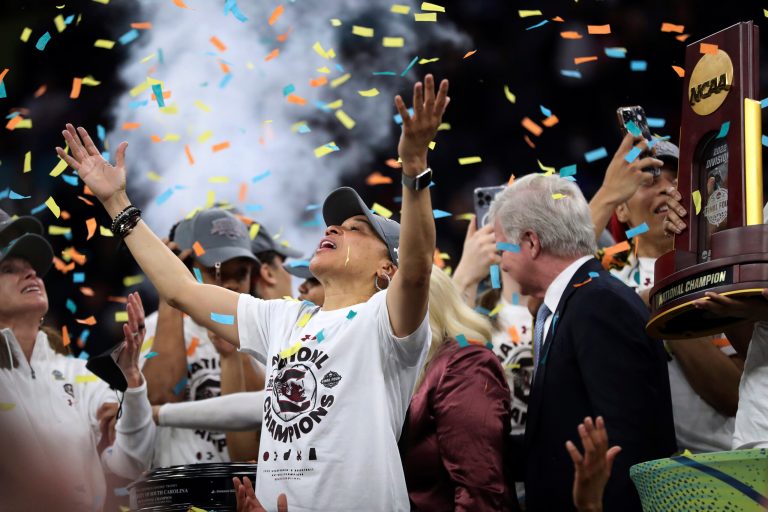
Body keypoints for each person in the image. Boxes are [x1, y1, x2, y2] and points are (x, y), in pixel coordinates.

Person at [57, 73, 448, 511]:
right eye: (335, 224)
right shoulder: (283, 319)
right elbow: (182, 289)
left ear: (386, 268)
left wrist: (414, 168)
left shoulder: (387, 325)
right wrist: (116, 203)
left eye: (356, 229)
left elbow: (417, 270)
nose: (334, 228)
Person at [154, 265, 516, 510]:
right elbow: (259, 409)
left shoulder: (461, 366)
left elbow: (480, 490)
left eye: (312, 287)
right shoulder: (336, 349)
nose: (307, 295)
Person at [489, 173, 676, 512]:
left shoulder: (599, 304)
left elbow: (627, 445)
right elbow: (561, 437)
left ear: (531, 242)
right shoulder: (572, 303)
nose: (500, 262)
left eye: (503, 248)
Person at [590, 133, 743, 453]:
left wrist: (663, 302)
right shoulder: (605, 276)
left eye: (677, 180)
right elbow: (558, 277)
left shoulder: (718, 269)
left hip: (721, 462)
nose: (667, 188)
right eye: (649, 180)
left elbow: (733, 396)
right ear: (621, 210)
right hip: (635, 466)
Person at [0, 210, 154, 511]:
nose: (31, 274)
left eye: (31, 267)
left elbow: (130, 464)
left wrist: (133, 384)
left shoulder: (79, 374)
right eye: (8, 269)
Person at [139, 207, 262, 466]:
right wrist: (170, 291)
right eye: (217, 270)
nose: (231, 284)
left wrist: (238, 343)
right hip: (179, 486)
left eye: (241, 273)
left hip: (247, 486)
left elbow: (261, 426)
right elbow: (156, 402)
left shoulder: (267, 330)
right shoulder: (149, 328)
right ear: (185, 267)